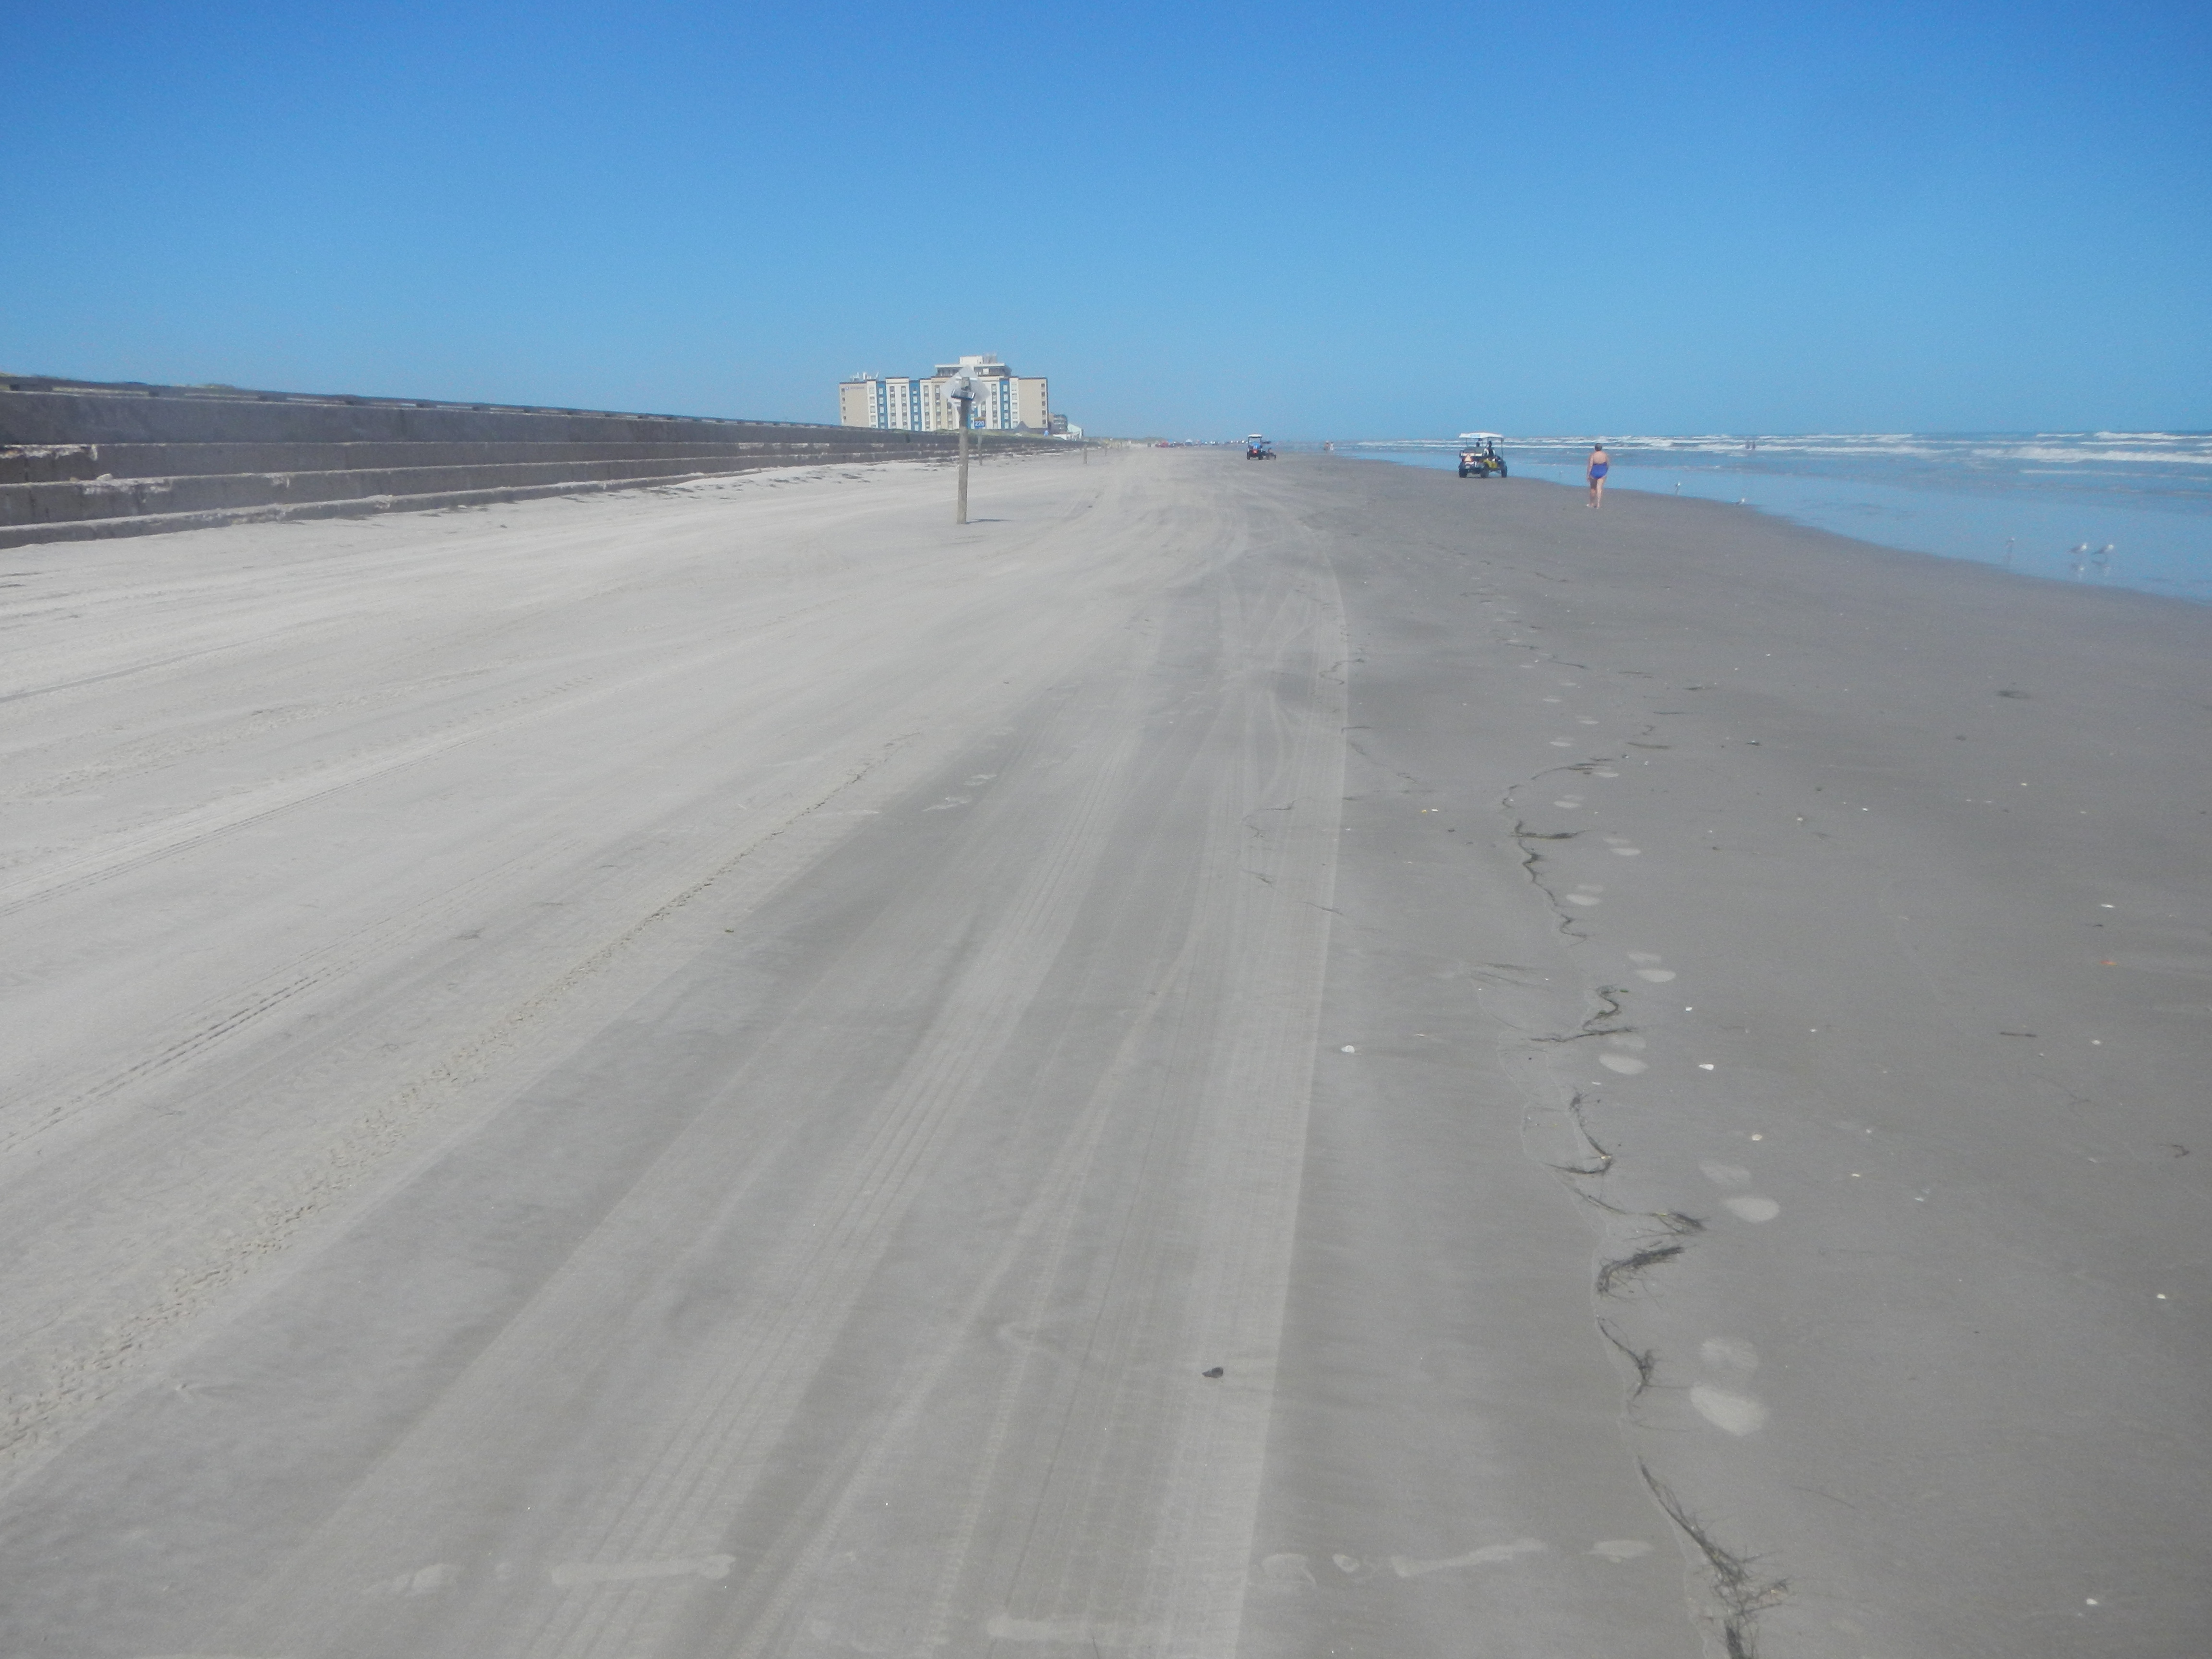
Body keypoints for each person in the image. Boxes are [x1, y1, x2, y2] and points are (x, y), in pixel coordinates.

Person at [1587, 443, 1610, 508]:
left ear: (1595, 448)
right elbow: (1608, 464)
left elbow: (1590, 465)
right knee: (1599, 488)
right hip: (1602, 472)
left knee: (1593, 488)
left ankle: (1592, 503)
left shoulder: (1593, 455)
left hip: (1594, 472)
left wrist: (1588, 475)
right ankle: (1598, 504)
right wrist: (1606, 471)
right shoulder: (1605, 455)